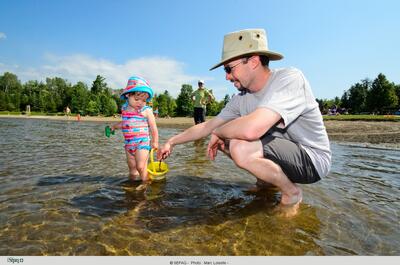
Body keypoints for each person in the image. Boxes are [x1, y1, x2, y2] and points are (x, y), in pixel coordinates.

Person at [158, 29, 331, 208]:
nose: (226, 76)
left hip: (312, 161)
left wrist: (218, 131)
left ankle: (291, 193)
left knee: (240, 146)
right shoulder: (240, 99)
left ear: (254, 61)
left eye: (229, 69)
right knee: (224, 142)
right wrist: (172, 141)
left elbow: (251, 130)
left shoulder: (290, 78)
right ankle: (266, 183)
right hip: (283, 153)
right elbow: (207, 126)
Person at [111, 76, 159, 190]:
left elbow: (153, 127)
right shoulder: (125, 109)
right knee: (132, 168)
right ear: (128, 95)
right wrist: (114, 126)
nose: (140, 103)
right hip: (129, 144)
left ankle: (146, 182)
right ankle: (132, 183)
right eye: (137, 99)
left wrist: (155, 141)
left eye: (143, 100)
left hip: (142, 143)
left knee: (141, 166)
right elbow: (125, 123)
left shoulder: (146, 110)